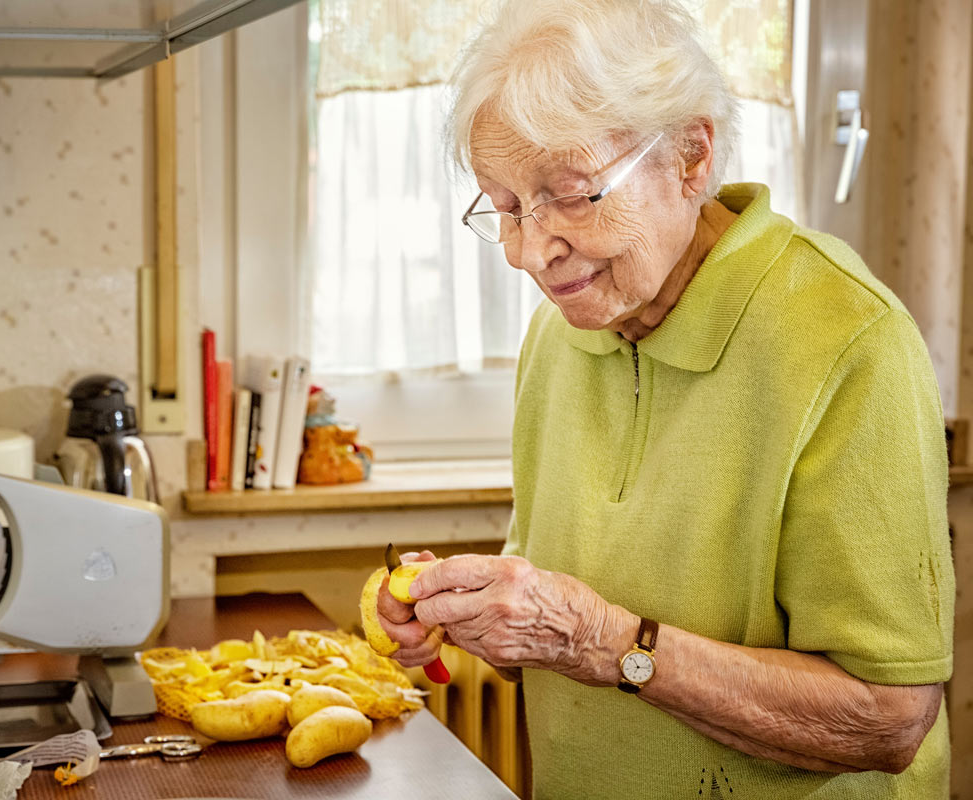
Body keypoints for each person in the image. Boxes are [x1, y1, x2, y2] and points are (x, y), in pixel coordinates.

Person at [374, 1, 954, 796]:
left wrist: (604, 643)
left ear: (690, 156)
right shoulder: (561, 334)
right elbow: (559, 580)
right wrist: (483, 608)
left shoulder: (851, 342)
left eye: (573, 195)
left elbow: (888, 718)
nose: (530, 252)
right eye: (506, 208)